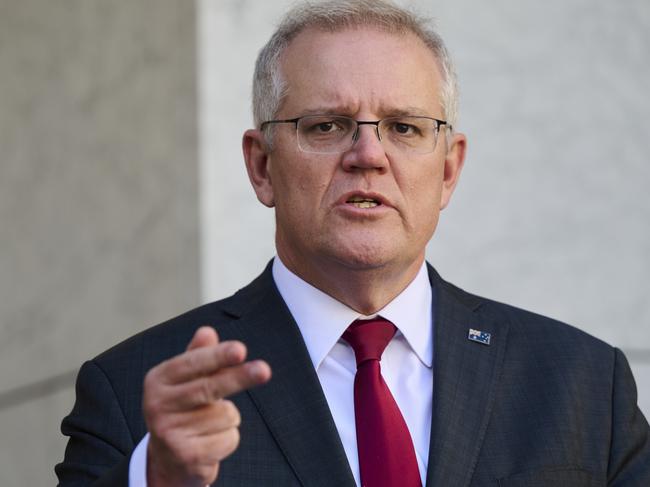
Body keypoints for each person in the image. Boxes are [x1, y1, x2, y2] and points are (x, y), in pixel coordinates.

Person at [56, 1, 650, 486]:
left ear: (447, 171)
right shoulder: (134, 393)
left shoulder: (582, 384)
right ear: (262, 167)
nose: (368, 155)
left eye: (404, 128)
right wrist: (157, 477)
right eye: (326, 126)